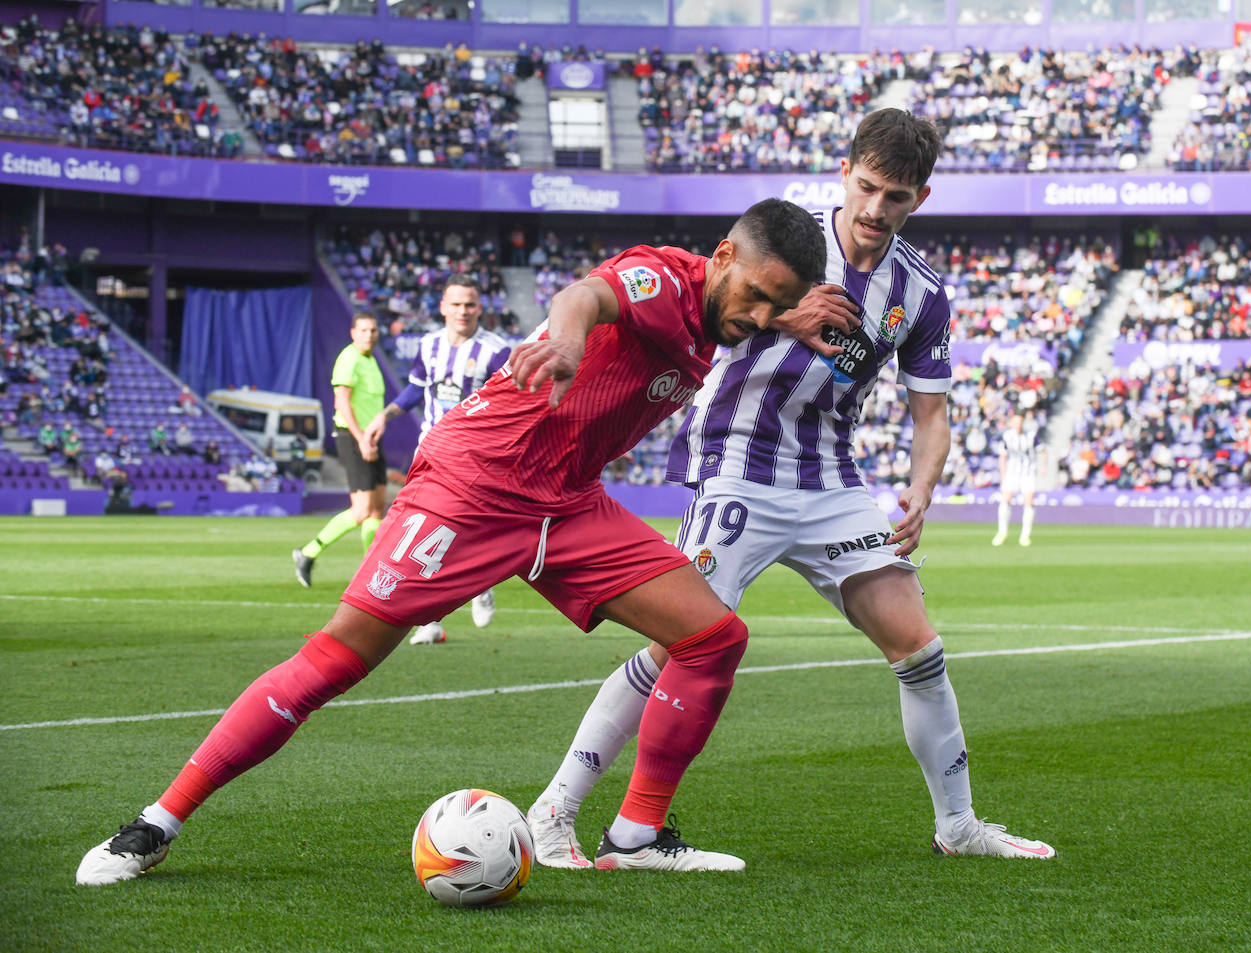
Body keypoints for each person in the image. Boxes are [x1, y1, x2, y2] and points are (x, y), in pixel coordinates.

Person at [75, 198, 827, 886]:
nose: (761, 315)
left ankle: (634, 835)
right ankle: (154, 824)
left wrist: (785, 316)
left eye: (778, 305)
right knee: (338, 655)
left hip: (566, 502)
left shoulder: (720, 317)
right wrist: (566, 340)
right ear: (722, 256)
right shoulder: (662, 277)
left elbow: (740, 315)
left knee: (713, 636)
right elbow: (585, 296)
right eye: (756, 294)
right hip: (476, 480)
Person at [527, 108, 1055, 870]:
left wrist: (920, 487)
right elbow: (704, 310)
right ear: (845, 172)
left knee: (920, 648)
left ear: (920, 199)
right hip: (737, 460)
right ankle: (559, 810)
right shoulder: (785, 241)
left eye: (896, 197)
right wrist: (783, 314)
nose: (876, 210)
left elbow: (930, 412)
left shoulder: (921, 291)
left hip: (833, 480)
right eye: (868, 188)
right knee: (678, 643)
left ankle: (959, 824)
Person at [361, 275, 511, 639]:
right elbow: (415, 391)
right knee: (418, 533)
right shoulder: (428, 346)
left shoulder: (496, 351)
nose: (463, 311)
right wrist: (385, 415)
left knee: (467, 531)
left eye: (470, 304)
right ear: (442, 307)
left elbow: (510, 403)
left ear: (480, 307)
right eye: (456, 304)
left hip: (477, 457)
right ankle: (429, 621)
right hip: (430, 451)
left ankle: (481, 583)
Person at [291, 313, 388, 588]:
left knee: (378, 509)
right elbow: (342, 403)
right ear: (353, 332)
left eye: (373, 330)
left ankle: (370, 568)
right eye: (364, 330)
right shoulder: (349, 358)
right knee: (361, 510)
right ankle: (308, 552)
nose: (369, 334)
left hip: (371, 437)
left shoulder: (371, 360)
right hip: (353, 436)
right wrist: (360, 439)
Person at [992, 412, 1043, 547]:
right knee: (1006, 499)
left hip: (1028, 473)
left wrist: (1043, 467)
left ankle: (1025, 535)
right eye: (1016, 422)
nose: (1018, 425)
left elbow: (1042, 450)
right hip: (1012, 472)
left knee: (1028, 502)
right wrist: (1003, 474)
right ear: (1011, 423)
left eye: (1020, 422)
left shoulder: (1031, 435)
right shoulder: (1007, 436)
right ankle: (1002, 532)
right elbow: (1003, 456)